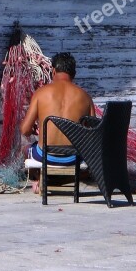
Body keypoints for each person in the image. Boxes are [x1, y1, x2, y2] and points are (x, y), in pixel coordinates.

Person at [20, 52, 95, 193]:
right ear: (74, 73)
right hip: (74, 158)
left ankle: (37, 180)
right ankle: (62, 180)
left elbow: (24, 130)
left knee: (25, 149)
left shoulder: (41, 93)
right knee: (86, 164)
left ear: (53, 71)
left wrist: (35, 127)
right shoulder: (85, 97)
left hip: (44, 156)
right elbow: (93, 134)